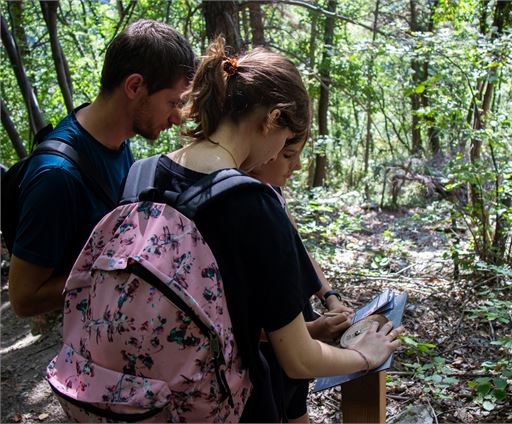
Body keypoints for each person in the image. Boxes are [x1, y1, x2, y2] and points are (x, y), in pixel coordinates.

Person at [147, 36, 402, 422]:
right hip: (224, 405)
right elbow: (298, 359)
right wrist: (366, 355)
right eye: (286, 143)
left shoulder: (143, 172)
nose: (284, 159)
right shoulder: (251, 202)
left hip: (143, 395)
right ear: (272, 119)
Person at [8, 20, 197, 318]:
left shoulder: (116, 141)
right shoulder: (57, 178)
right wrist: (115, 269)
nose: (177, 118)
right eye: (172, 102)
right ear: (134, 86)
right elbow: (23, 298)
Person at [250, 140, 355, 422]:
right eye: (287, 155)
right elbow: (233, 320)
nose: (296, 165)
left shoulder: (273, 191)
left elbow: (299, 249)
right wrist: (312, 330)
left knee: (296, 408)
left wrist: (329, 296)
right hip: (267, 354)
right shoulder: (241, 206)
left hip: (296, 324)